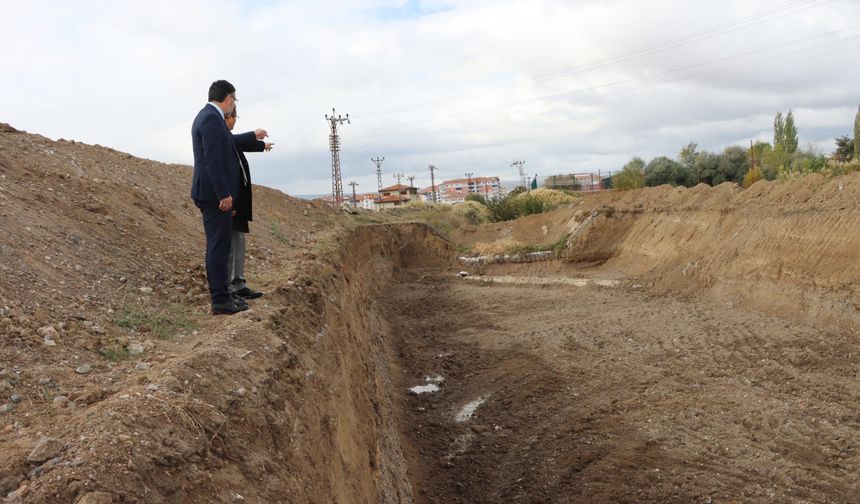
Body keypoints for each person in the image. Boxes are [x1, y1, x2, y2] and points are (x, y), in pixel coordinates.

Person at [190, 79, 248, 315]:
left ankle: (224, 296)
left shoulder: (208, 117)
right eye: (234, 100)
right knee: (218, 246)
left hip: (213, 193)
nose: (233, 106)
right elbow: (213, 160)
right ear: (229, 99)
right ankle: (221, 300)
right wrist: (224, 194)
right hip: (214, 195)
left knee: (219, 245)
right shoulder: (212, 119)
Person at [224, 107, 273, 300]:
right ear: (228, 117)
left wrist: (262, 146)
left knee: (238, 241)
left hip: (238, 202)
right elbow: (236, 142)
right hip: (230, 202)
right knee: (230, 243)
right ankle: (229, 287)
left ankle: (239, 283)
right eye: (234, 116)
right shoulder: (223, 138)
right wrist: (254, 135)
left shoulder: (229, 139)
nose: (235, 121)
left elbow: (239, 144)